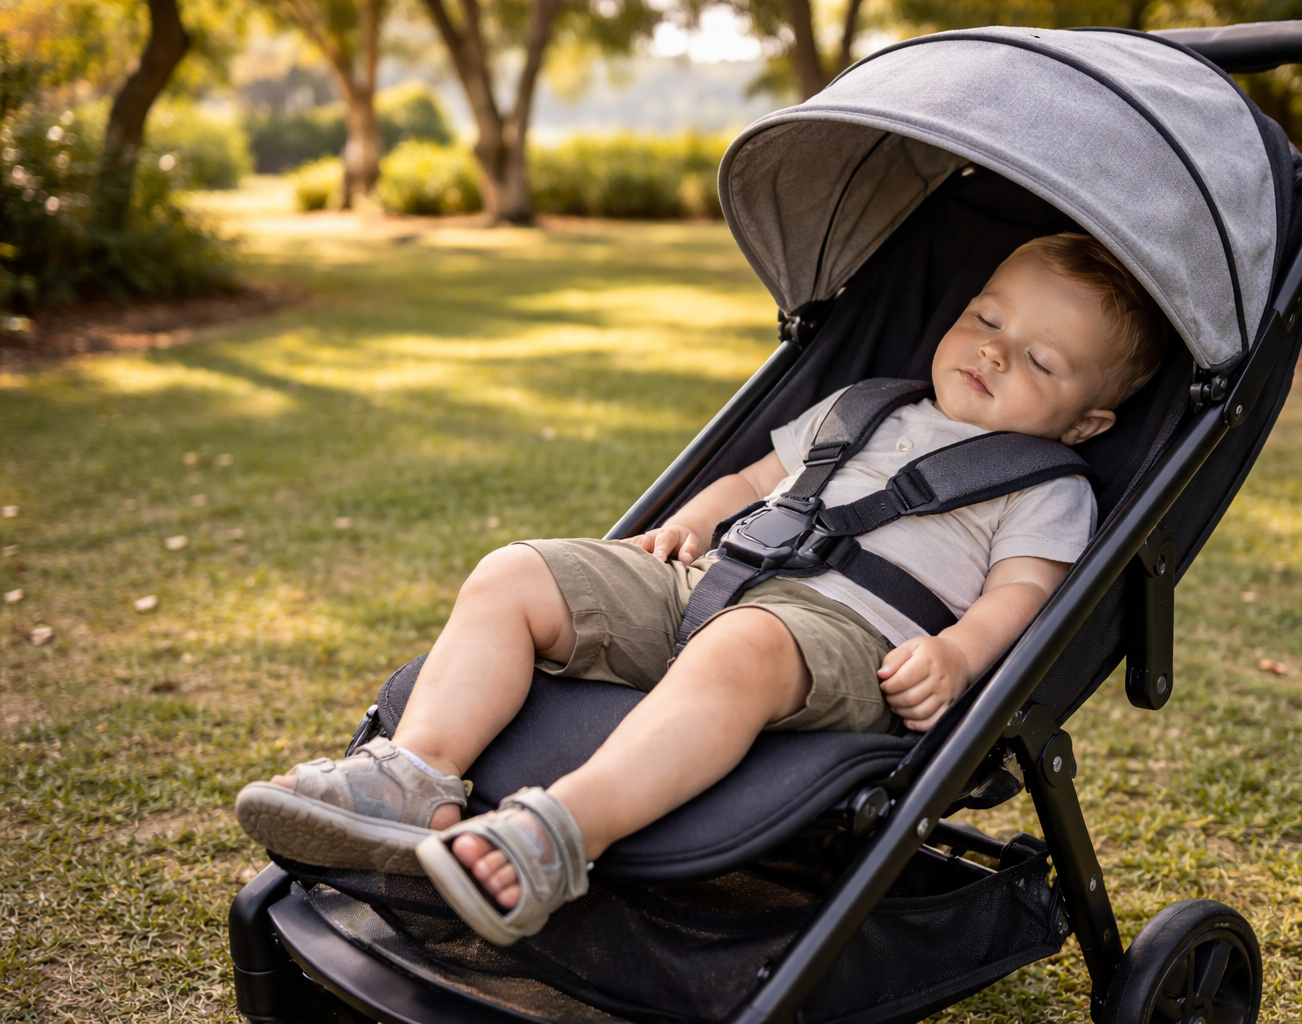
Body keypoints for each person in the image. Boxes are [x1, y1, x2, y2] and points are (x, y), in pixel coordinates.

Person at [235, 231, 1168, 945]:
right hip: (713, 579)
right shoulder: (864, 404)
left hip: (846, 644)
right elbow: (755, 483)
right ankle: (418, 775)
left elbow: (1026, 595)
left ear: (1088, 422)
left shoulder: (1048, 484)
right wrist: (691, 520)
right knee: (515, 572)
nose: (996, 352)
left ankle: (563, 833)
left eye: (1041, 360)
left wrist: (959, 656)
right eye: (985, 318)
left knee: (742, 647)